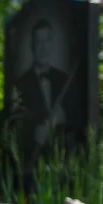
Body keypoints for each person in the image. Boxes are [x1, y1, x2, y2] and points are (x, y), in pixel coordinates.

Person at [14, 19, 74, 152]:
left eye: (47, 41)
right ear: (32, 46)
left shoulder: (64, 80)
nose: (43, 48)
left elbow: (78, 125)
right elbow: (15, 126)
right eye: (38, 42)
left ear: (52, 44)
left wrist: (63, 118)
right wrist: (35, 134)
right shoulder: (20, 84)